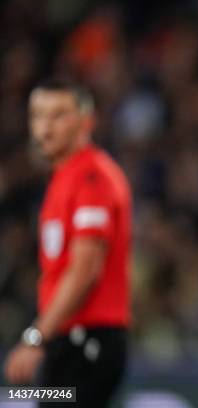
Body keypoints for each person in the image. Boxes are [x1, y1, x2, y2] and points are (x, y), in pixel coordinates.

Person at [3, 79, 132, 408]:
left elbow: (85, 269)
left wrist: (35, 337)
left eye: (58, 115)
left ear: (86, 121)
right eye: (38, 116)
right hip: (67, 342)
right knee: (33, 398)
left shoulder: (93, 179)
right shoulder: (65, 179)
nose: (45, 128)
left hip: (87, 342)